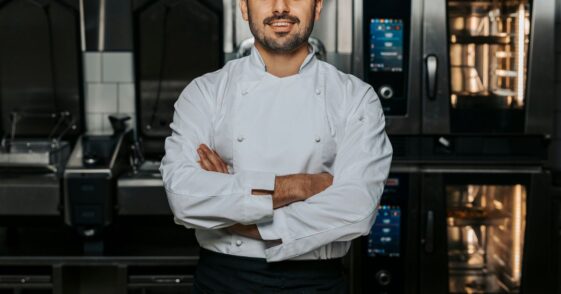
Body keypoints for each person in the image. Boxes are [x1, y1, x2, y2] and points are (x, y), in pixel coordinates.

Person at [160, 0, 393, 292]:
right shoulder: (204, 93)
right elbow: (183, 197)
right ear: (244, 8)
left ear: (317, 7)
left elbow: (357, 209)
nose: (280, 7)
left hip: (316, 283)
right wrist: (302, 186)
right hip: (223, 280)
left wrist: (231, 215)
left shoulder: (356, 98)